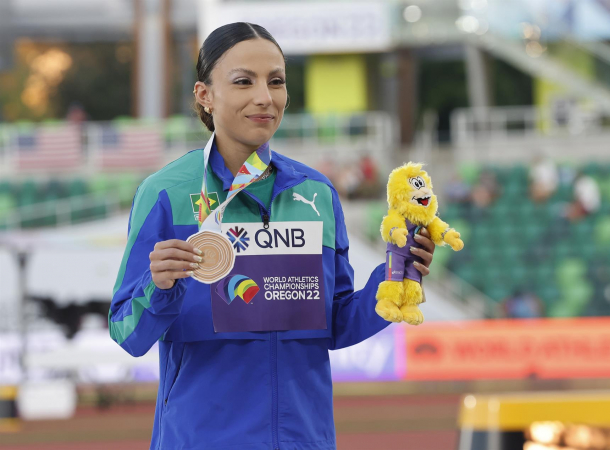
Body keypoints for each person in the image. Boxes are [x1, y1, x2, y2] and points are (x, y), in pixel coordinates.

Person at [107, 22, 437, 450]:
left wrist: (394, 279)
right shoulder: (165, 193)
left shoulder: (316, 192)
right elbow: (126, 332)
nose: (265, 97)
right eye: (244, 81)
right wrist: (160, 285)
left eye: (276, 81)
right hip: (200, 439)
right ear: (204, 95)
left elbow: (333, 323)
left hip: (304, 439)